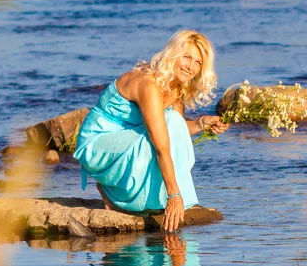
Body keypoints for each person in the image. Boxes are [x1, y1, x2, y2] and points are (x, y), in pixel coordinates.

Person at [74, 29, 229, 232]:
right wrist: (174, 195)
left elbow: (175, 130)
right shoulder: (149, 85)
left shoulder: (177, 87)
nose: (191, 67)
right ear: (173, 53)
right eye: (187, 57)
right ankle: (115, 191)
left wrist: (201, 123)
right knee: (166, 132)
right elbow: (161, 146)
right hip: (98, 144)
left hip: (126, 141)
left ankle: (123, 192)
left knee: (174, 120)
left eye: (198, 62)